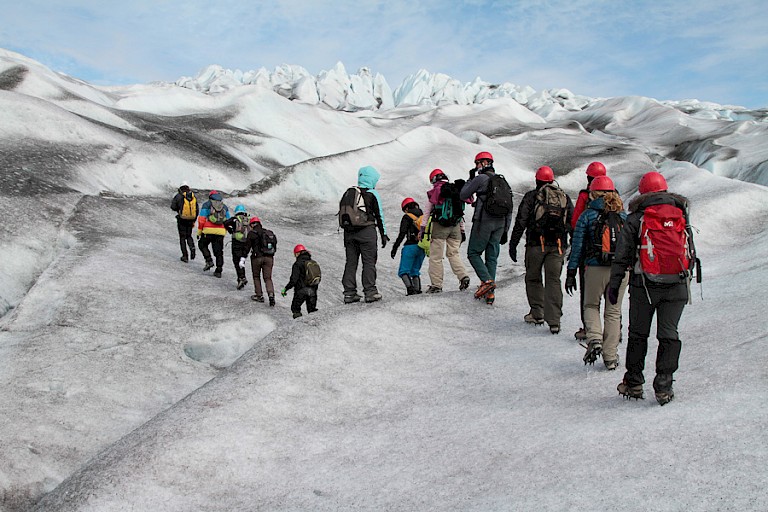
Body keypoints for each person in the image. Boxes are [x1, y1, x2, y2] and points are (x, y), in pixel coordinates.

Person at [609, 171, 696, 405]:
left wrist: (615, 284)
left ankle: (634, 382)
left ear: (643, 192)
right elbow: (689, 249)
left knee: (639, 334)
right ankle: (664, 386)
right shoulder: (680, 213)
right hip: (677, 285)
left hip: (643, 286)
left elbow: (623, 254)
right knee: (669, 334)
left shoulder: (637, 217)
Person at [565, 176, 628, 370]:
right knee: (613, 311)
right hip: (620, 270)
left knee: (591, 305)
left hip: (594, 268)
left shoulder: (587, 215)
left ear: (593, 193)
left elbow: (577, 246)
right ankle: (610, 357)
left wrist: (571, 271)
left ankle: (594, 339)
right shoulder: (623, 216)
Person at [508, 165, 574, 334]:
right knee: (554, 280)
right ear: (552, 180)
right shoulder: (564, 197)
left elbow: (521, 220)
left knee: (533, 278)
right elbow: (572, 223)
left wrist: (513, 243)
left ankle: (537, 312)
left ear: (537, 180)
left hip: (536, 244)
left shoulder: (532, 196)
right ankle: (554, 321)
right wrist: (572, 245)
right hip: (558, 246)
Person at [458, 152, 514, 305]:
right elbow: (509, 207)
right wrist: (505, 230)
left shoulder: (481, 178)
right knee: (491, 257)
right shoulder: (503, 180)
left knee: (473, 253)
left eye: (477, 163)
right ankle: (490, 294)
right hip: (500, 222)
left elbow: (463, 194)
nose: (476, 166)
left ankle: (487, 281)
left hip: (484, 220)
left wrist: (471, 178)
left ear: (482, 163)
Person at [340, 165, 388, 304]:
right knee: (368, 262)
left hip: (349, 233)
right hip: (366, 232)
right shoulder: (372, 193)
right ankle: (370, 292)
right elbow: (380, 216)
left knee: (351, 262)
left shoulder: (351, 193)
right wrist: (383, 234)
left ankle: (349, 293)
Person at [571, 162, 607, 341]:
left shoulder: (585, 196)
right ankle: (614, 328)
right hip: (614, 256)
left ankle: (589, 328)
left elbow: (575, 221)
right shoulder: (616, 198)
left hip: (589, 255)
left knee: (588, 295)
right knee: (611, 296)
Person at [419, 169, 471, 294]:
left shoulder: (437, 191)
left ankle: (436, 285)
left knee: (436, 257)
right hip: (456, 227)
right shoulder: (455, 190)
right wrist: (462, 231)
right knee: (454, 254)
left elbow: (427, 212)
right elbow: (460, 212)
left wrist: (422, 229)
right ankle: (463, 276)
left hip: (440, 227)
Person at [390, 198, 426, 295]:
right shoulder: (424, 216)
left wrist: (395, 248)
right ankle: (418, 290)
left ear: (406, 209)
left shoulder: (407, 217)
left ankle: (410, 289)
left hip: (410, 246)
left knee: (403, 271)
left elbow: (402, 233)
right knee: (415, 270)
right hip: (422, 247)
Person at [197, 190, 230, 278]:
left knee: (202, 244)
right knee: (219, 252)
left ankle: (209, 260)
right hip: (220, 232)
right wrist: (224, 231)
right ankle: (218, 270)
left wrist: (199, 232)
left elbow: (201, 220)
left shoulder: (206, 205)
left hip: (208, 230)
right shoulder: (224, 206)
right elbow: (228, 220)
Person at [244, 216, 277, 306]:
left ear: (252, 224)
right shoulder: (268, 233)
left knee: (256, 276)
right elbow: (275, 246)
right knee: (268, 278)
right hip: (269, 258)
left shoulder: (252, 233)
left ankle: (259, 295)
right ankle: (271, 294)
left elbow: (247, 247)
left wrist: (243, 257)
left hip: (257, 258)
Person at [282, 244, 319, 319]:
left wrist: (286, 289)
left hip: (301, 290)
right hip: (312, 291)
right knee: (312, 311)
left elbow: (293, 280)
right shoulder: (312, 262)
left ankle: (299, 327)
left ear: (298, 253)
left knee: (295, 309)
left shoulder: (297, 264)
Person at [223, 205, 251, 290]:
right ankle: (242, 277)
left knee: (236, 260)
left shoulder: (235, 219)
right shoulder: (247, 219)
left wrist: (230, 230)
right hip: (246, 242)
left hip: (237, 242)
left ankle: (241, 278)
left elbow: (225, 223)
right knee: (242, 260)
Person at [170, 182, 198, 262]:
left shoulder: (179, 196)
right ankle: (192, 247)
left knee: (182, 237)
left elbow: (173, 206)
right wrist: (194, 219)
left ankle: (185, 256)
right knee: (189, 235)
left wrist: (179, 211)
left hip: (181, 219)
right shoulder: (192, 196)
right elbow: (196, 209)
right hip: (191, 219)